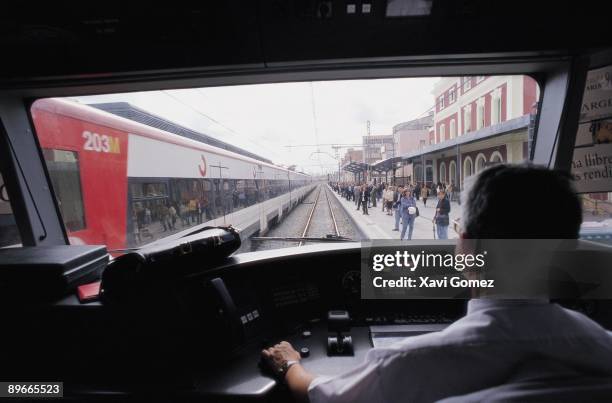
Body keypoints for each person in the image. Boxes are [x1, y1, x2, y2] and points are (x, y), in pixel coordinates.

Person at [261, 164, 612, 403]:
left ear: (466, 247)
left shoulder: (408, 363)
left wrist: (289, 363)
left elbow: (321, 396)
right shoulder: (603, 348)